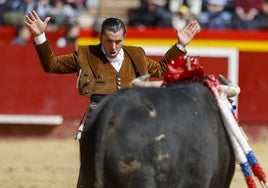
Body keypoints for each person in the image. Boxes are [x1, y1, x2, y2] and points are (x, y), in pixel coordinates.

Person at [24, 10, 200, 187]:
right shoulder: (85, 54)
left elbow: (162, 70)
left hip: (133, 121)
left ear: (124, 38)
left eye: (118, 41)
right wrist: (40, 36)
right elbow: (52, 65)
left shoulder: (137, 54)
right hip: (98, 121)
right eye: (109, 41)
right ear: (100, 37)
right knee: (92, 174)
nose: (114, 47)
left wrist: (180, 46)